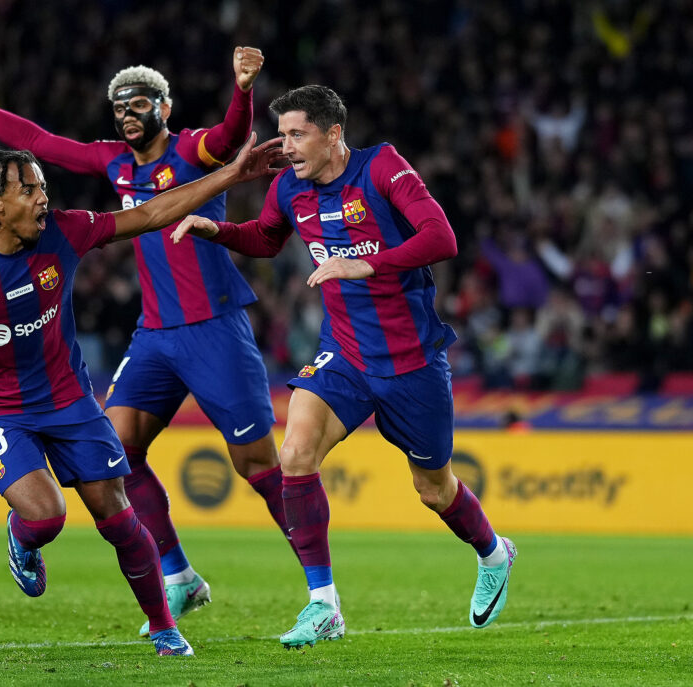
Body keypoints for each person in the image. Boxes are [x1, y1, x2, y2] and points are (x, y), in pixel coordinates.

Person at [0, 137, 283, 656]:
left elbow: (152, 212)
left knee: (119, 516)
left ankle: (165, 626)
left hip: (70, 402)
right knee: (47, 516)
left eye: (43, 187)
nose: (43, 199)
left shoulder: (65, 231)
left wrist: (233, 176)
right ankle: (22, 536)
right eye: (29, 190)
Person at [0, 48, 294, 636]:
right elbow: (36, 141)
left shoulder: (191, 149)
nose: (126, 112)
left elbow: (231, 136)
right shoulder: (114, 163)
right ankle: (177, 575)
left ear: (164, 108)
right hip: (154, 335)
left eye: (139, 102)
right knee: (121, 451)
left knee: (257, 465)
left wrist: (243, 88)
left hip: (214, 327)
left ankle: (320, 591)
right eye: (118, 104)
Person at [171, 85, 518, 649]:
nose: (285, 147)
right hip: (345, 355)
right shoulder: (288, 187)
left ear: (333, 134)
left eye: (296, 134)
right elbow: (264, 239)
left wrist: (367, 265)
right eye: (281, 135)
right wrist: (218, 231)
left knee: (433, 489)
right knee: (295, 451)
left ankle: (494, 552)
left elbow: (442, 238)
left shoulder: (381, 167)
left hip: (410, 361)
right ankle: (322, 603)